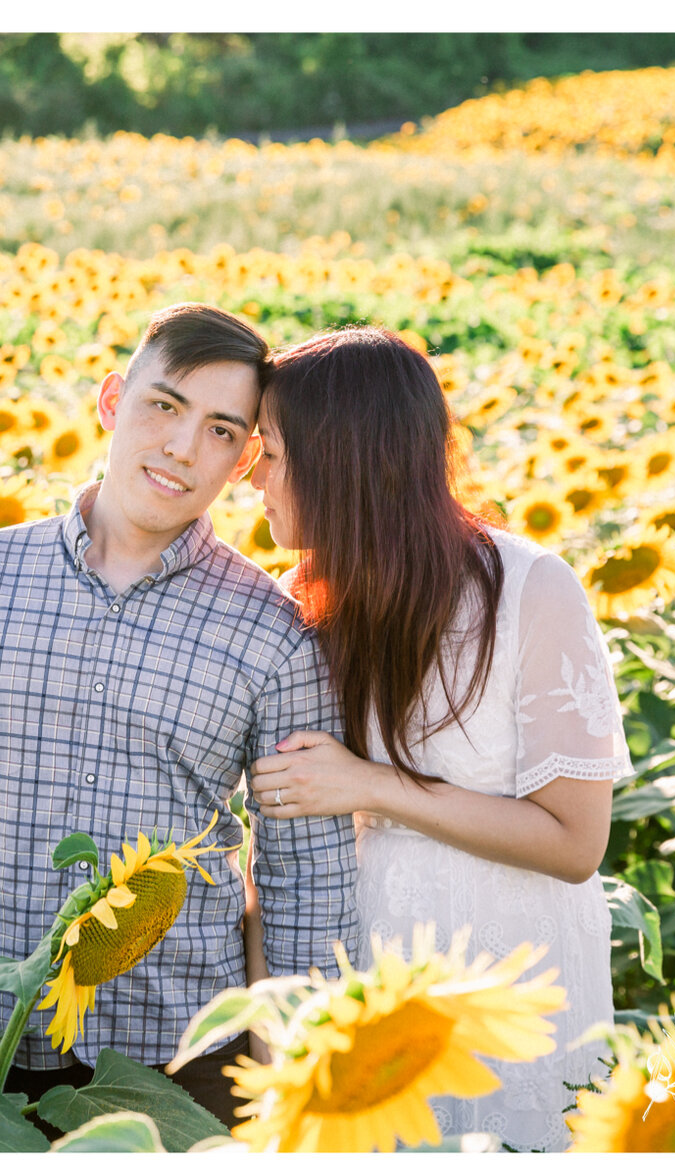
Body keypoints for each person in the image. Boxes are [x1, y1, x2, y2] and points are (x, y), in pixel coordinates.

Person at [0, 302, 357, 1128]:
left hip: (176, 1057)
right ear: (112, 402)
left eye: (222, 430)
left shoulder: (272, 631)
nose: (182, 449)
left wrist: (295, 1080)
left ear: (243, 461)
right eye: (165, 406)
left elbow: (304, 875)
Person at [239, 327, 628, 1153]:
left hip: (515, 980)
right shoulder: (297, 605)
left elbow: (575, 841)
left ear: (340, 459)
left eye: (269, 451)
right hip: (368, 988)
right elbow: (269, 842)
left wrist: (375, 787)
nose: (251, 476)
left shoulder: (529, 591)